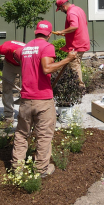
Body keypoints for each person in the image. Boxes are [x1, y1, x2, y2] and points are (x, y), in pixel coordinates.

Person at [12, 20, 76, 176]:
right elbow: (47, 68)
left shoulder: (25, 48)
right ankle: (41, 169)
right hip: (43, 100)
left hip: (26, 99)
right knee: (44, 135)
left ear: (36, 32)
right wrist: (68, 59)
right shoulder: (47, 47)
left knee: (21, 134)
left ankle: (17, 169)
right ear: (49, 34)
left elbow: (15, 54)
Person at [52, 0, 90, 88]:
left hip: (76, 45)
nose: (61, 11)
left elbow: (74, 26)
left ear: (63, 6)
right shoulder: (78, 9)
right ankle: (76, 86)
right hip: (82, 42)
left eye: (60, 9)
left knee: (74, 66)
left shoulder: (71, 12)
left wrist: (62, 31)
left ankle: (79, 88)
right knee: (75, 64)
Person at [0, 40, 26, 121]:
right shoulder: (5, 49)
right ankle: (8, 115)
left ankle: (25, 115)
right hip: (9, 64)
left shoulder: (29, 52)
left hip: (26, 65)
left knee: (28, 89)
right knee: (6, 88)